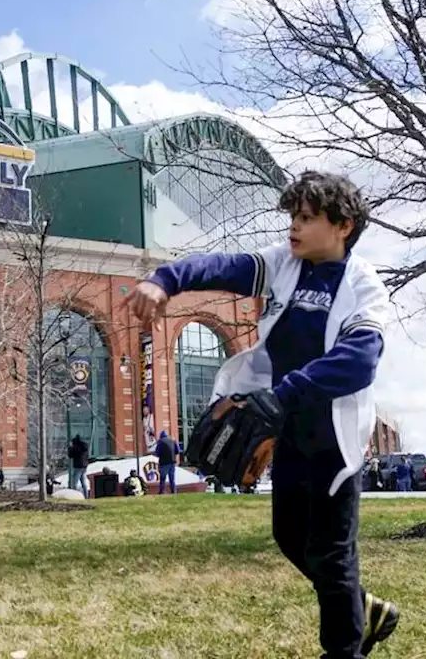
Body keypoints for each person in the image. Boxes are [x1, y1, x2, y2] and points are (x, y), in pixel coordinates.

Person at [127, 170, 399, 657]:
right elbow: (220, 267)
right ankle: (361, 609)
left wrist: (285, 394)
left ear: (344, 225)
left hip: (334, 436)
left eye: (307, 217)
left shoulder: (363, 286)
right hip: (288, 428)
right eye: (293, 216)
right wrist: (164, 279)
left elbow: (357, 362)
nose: (293, 226)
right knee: (290, 535)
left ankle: (344, 649)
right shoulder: (282, 264)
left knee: (332, 554)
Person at [155, 430, 180, 495]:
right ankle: (173, 491)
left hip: (164, 463)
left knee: (163, 478)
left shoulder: (160, 442)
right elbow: (177, 451)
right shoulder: (173, 440)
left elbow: (157, 453)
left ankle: (162, 491)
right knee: (172, 478)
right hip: (172, 462)